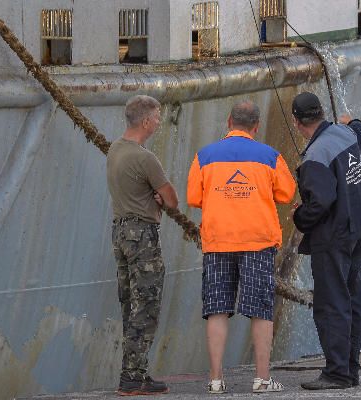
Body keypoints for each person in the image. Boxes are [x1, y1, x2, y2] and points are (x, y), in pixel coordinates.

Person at [187, 100, 296, 394]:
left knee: (217, 309)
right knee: (260, 310)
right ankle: (261, 379)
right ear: (256, 126)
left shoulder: (205, 156)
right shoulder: (270, 156)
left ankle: (215, 379)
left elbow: (194, 197)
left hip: (218, 241)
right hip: (258, 242)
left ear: (228, 121)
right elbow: (286, 194)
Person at [290, 92, 361, 390]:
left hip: (333, 236)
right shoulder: (345, 134)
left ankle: (337, 373)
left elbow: (321, 201)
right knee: (351, 301)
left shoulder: (316, 155)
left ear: (297, 122)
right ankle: (350, 370)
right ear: (322, 113)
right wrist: (351, 121)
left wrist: (300, 216)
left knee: (331, 303)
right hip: (356, 229)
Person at [107, 94, 178, 396]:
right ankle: (132, 377)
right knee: (146, 306)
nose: (160, 122)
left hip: (121, 232)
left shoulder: (115, 149)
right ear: (147, 121)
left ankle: (136, 372)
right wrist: (160, 200)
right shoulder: (145, 158)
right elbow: (172, 200)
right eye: (158, 117)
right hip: (142, 235)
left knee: (130, 304)